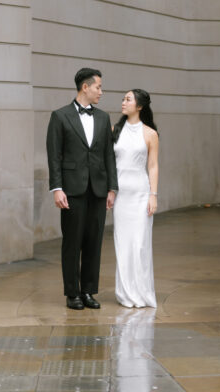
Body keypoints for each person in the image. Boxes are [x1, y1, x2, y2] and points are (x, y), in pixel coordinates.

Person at [46, 67, 118, 310]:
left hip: (98, 189)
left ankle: (88, 291)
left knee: (94, 242)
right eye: (98, 87)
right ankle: (72, 293)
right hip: (72, 189)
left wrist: (112, 188)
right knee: (72, 241)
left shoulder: (103, 117)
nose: (101, 91)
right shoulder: (60, 116)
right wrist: (57, 188)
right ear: (85, 87)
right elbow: (54, 156)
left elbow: (109, 155)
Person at [112, 88, 159, 308]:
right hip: (121, 196)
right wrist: (110, 192)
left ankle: (141, 292)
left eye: (128, 99)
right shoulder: (115, 130)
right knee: (123, 244)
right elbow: (109, 163)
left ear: (139, 106)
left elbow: (153, 166)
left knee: (140, 245)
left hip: (141, 194)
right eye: (123, 99)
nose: (123, 102)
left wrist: (153, 195)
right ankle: (125, 293)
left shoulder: (150, 134)